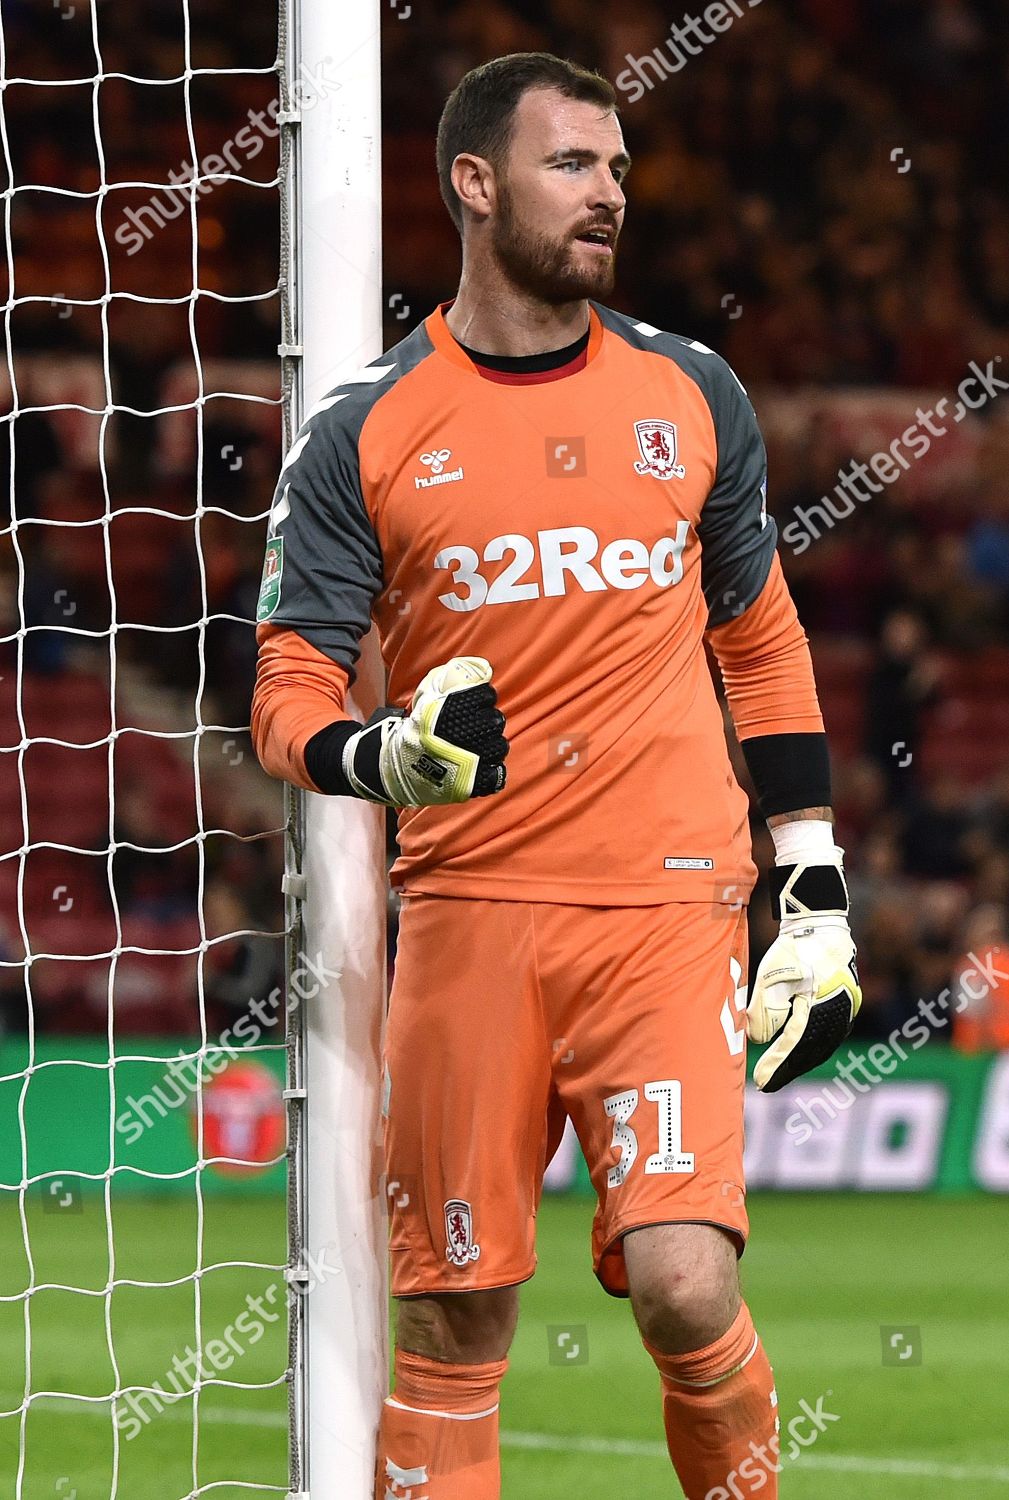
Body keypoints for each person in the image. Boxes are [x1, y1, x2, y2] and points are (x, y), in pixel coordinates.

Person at [251, 52, 861, 1500]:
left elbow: (760, 647)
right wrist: (381, 756)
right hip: (467, 914)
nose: (611, 197)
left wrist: (816, 884)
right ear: (475, 185)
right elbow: (284, 697)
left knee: (683, 1286)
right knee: (453, 1322)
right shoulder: (362, 432)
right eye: (573, 166)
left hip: (664, 905)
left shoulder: (690, 393)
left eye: (620, 170)